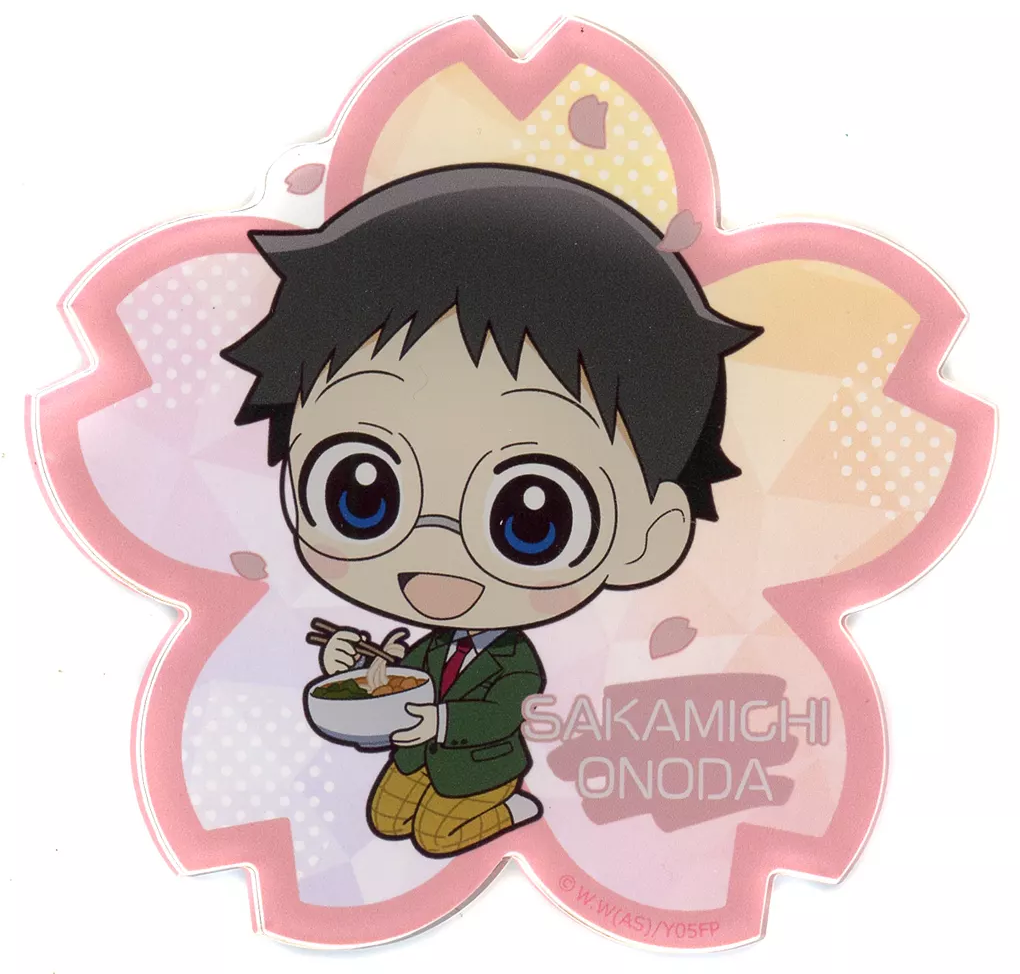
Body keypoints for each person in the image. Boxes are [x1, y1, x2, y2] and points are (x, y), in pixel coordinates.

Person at [223, 164, 760, 857]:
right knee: (387, 821)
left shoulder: (512, 661)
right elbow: (407, 668)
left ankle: (511, 804)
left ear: (649, 538)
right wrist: (359, 660)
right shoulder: (439, 643)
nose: (433, 557)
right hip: (420, 759)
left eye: (534, 523)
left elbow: (495, 714)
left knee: (439, 833)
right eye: (361, 496)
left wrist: (438, 723)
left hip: (477, 766)